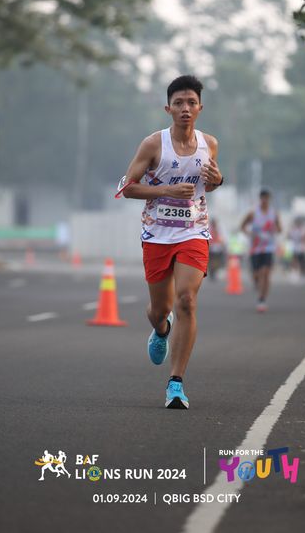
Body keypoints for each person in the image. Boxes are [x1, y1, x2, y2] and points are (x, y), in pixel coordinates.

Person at [121, 74, 223, 410]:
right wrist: (166, 190)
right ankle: (162, 329)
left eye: (191, 102)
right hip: (157, 235)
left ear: (200, 107)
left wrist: (218, 179)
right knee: (160, 309)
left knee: (187, 301)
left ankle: (175, 384)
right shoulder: (153, 144)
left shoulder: (210, 144)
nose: (185, 108)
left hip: (193, 232)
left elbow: (210, 183)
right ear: (168, 108)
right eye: (178, 103)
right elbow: (127, 188)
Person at [241, 189, 282, 312]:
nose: (265, 201)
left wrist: (275, 229)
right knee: (256, 275)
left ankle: (262, 299)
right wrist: (249, 234)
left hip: (268, 247)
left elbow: (280, 229)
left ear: (269, 199)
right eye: (263, 198)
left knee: (266, 273)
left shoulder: (274, 213)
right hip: (255, 248)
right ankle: (257, 284)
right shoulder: (253, 213)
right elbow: (242, 226)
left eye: (267, 198)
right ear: (260, 199)